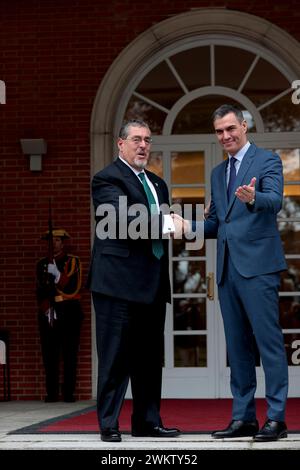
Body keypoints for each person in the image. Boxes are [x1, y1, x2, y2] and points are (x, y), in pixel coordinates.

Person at [176, 104, 289, 441]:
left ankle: (277, 418)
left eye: (230, 129)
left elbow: (275, 201)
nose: (225, 136)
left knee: (268, 345)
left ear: (243, 126)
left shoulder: (267, 160)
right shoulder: (217, 173)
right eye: (219, 131)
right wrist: (189, 227)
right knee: (237, 348)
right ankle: (244, 417)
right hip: (227, 270)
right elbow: (216, 225)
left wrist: (254, 198)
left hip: (259, 268)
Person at [87, 119, 182, 442]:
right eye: (137, 139)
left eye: (148, 140)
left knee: (149, 359)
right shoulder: (106, 179)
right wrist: (170, 224)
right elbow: (122, 219)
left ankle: (147, 422)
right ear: (121, 144)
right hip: (116, 284)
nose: (143, 145)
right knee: (115, 358)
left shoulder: (158, 184)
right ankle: (109, 424)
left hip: (152, 284)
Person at [36, 228, 83, 403]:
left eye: (56, 240)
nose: (53, 243)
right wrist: (47, 309)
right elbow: (39, 289)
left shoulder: (73, 262)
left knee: (70, 354)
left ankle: (69, 393)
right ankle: (52, 393)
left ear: (62, 243)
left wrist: (57, 274)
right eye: (51, 240)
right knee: (50, 355)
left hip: (69, 312)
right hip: (49, 313)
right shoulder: (41, 264)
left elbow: (74, 287)